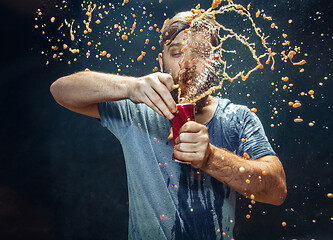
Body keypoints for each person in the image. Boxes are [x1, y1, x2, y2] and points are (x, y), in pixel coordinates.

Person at [50, 11, 287, 240]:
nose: (188, 64)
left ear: (216, 61)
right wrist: (130, 87)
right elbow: (61, 90)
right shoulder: (137, 111)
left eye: (200, 53)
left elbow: (277, 191)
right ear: (161, 62)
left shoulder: (237, 118)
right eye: (177, 53)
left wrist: (211, 158)